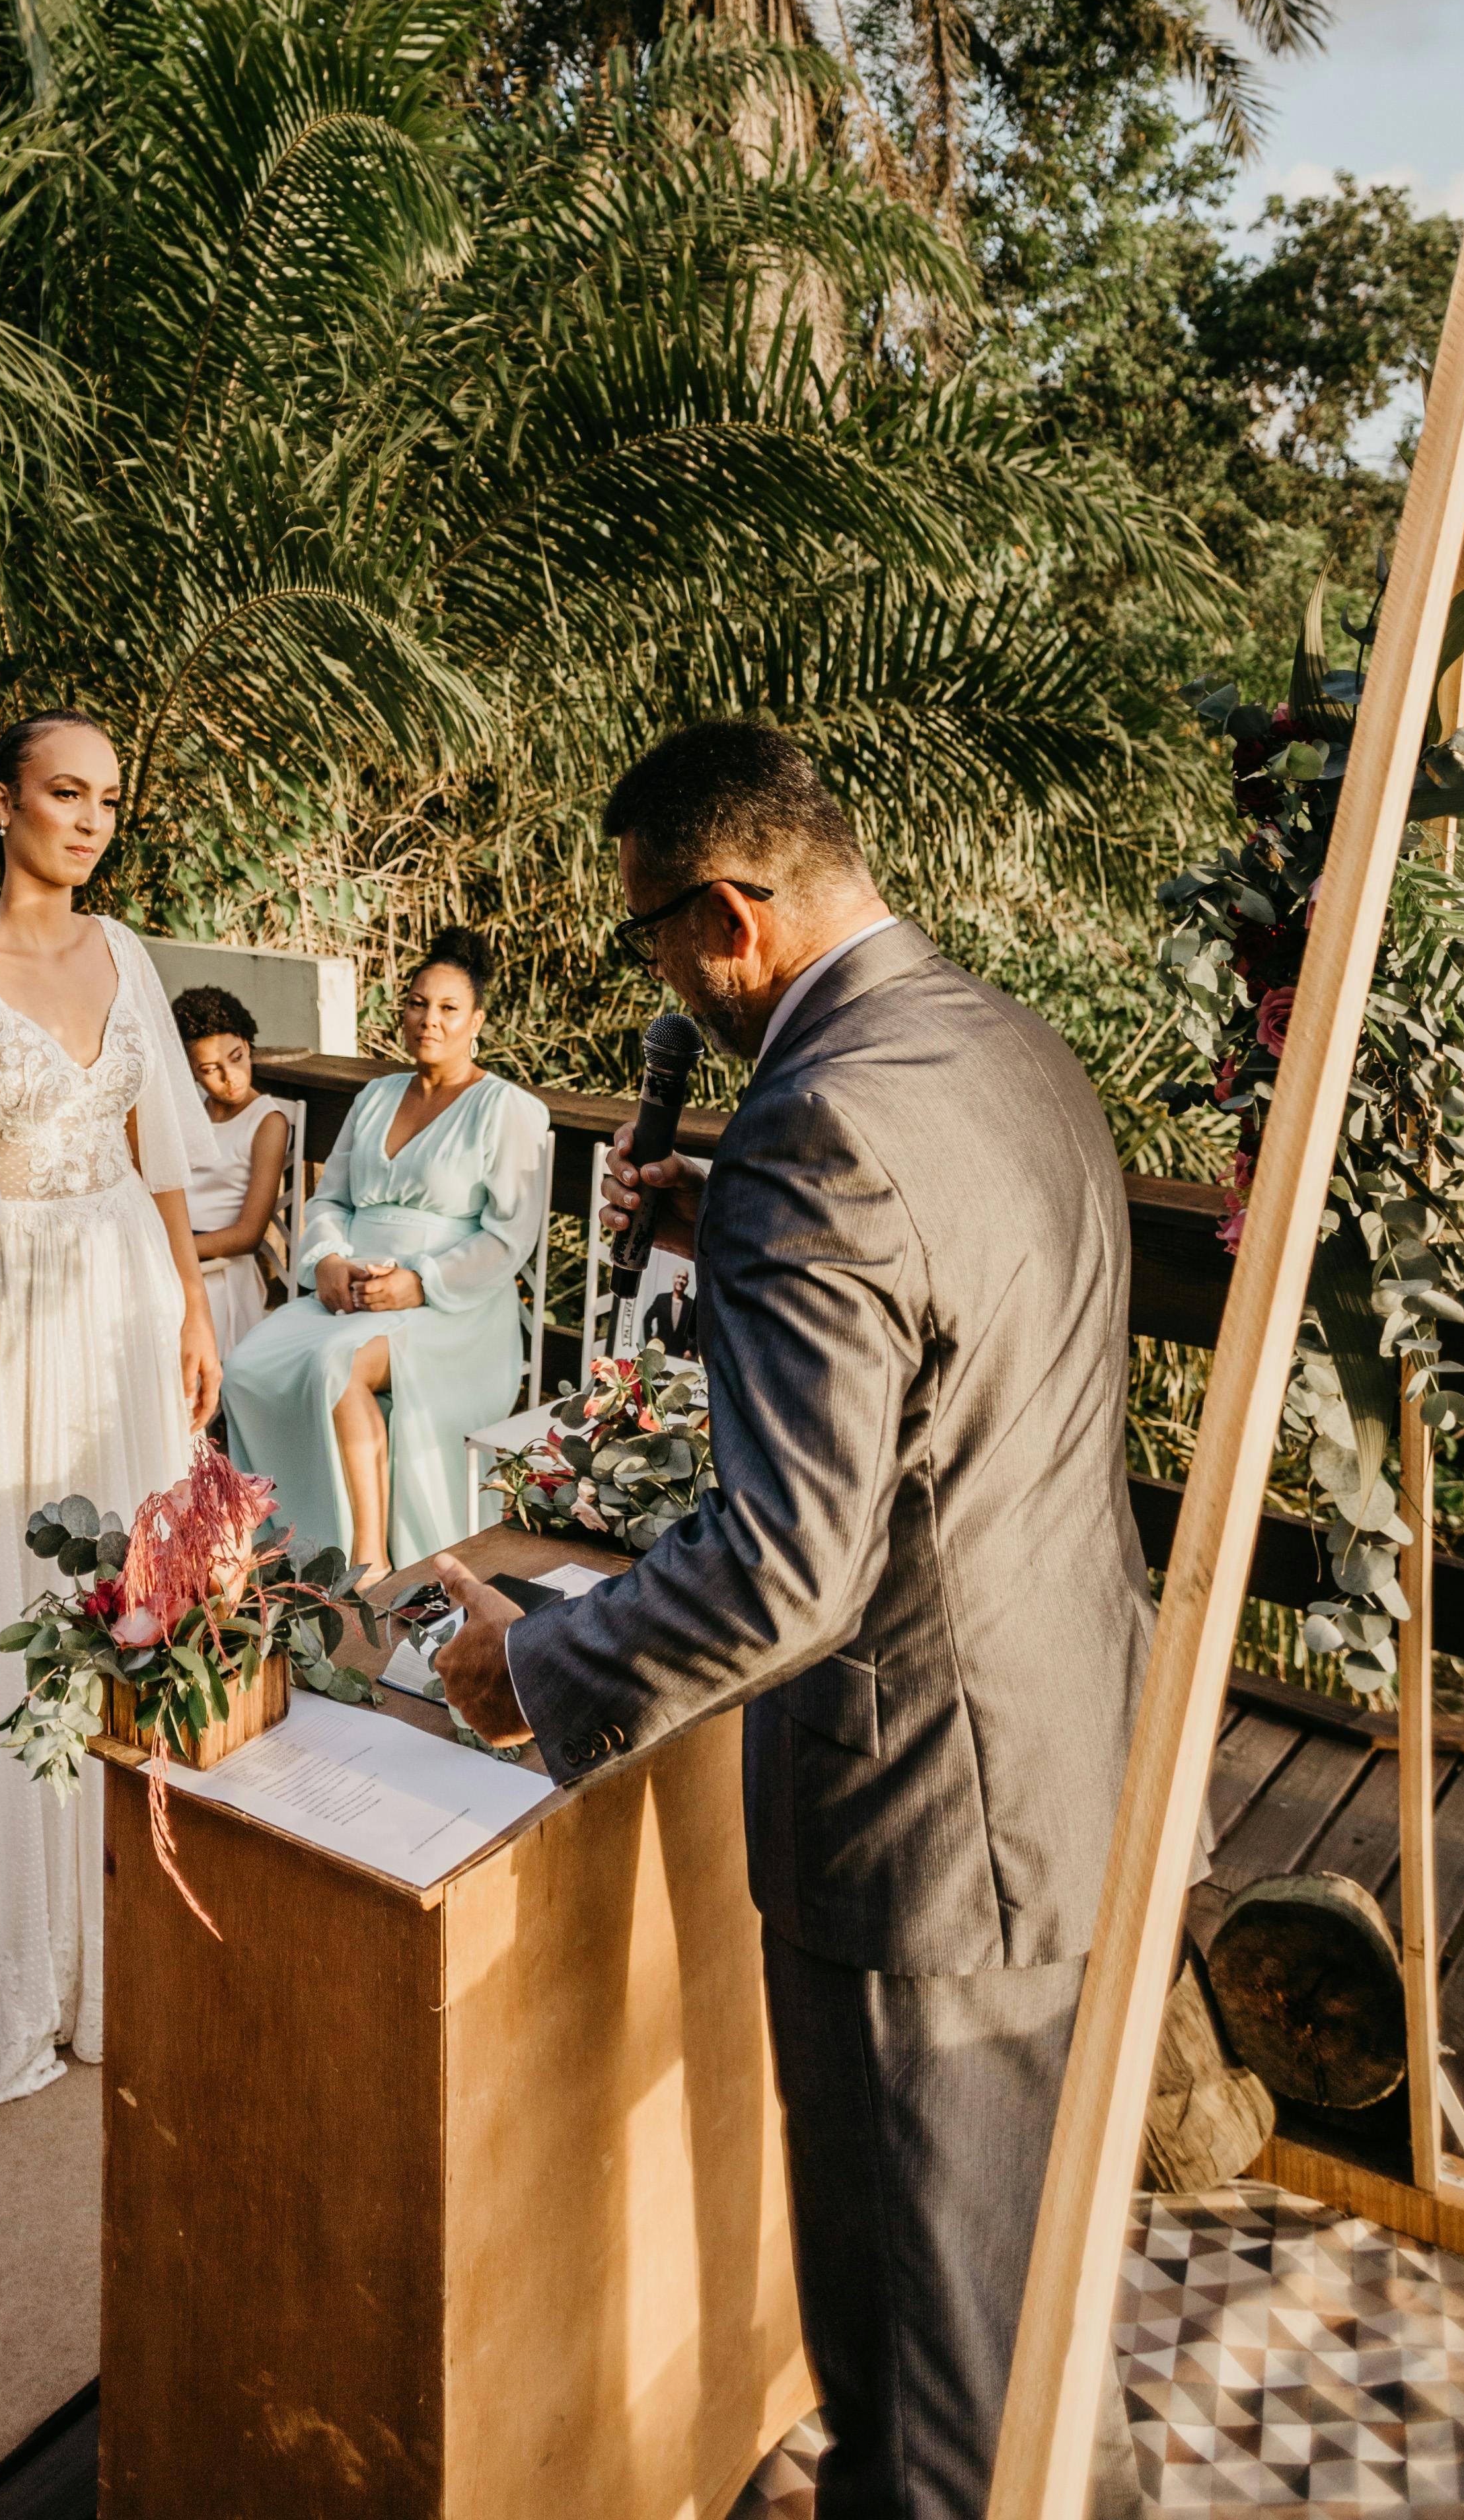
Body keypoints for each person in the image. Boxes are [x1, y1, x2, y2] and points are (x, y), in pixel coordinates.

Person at [428, 723, 1148, 2520]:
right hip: (1072, 1743)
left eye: (653, 939)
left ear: (730, 919)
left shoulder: (813, 1125)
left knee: (919, 2376)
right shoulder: (993, 1035)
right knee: (1032, 2279)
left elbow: (790, 1570)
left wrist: (533, 1665)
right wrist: (728, 1210)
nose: (662, 979)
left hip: (916, 1812)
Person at [0, 712, 219, 2103]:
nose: (90, 821)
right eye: (65, 794)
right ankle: (17, 1949)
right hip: (9, 1314)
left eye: (110, 802)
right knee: (24, 1606)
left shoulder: (126, 952)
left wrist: (196, 1307)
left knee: (141, 1592)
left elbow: (165, 1151)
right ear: (3, 802)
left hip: (133, 1300)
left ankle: (134, 1908)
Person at [220, 928, 547, 1579]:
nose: (430, 1020)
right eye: (418, 1003)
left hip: (455, 1312)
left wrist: (420, 1283)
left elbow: (510, 1237)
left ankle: (368, 1562)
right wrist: (329, 1264)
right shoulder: (374, 1099)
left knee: (339, 1367)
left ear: (476, 1020)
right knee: (248, 1365)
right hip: (353, 1294)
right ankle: (287, 1550)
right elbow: (329, 1202)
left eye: (449, 1008)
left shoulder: (509, 1110)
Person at [172, 984, 291, 1358]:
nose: (231, 1076)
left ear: (247, 1042)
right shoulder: (188, 1114)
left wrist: (174, 1251)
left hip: (221, 1267)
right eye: (210, 1069)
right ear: (191, 1071)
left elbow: (249, 1234)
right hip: (174, 1255)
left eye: (237, 1057)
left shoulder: (267, 1121)